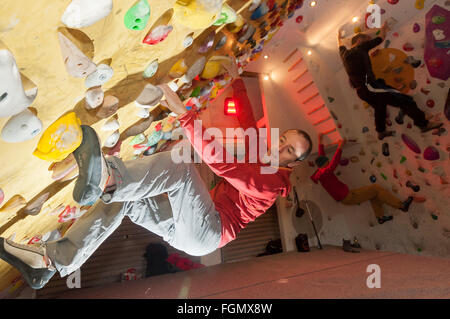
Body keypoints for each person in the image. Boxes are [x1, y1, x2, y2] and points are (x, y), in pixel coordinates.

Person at [0, 58, 313, 289]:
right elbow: (246, 124)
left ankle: (106, 177)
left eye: (288, 151)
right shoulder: (265, 156)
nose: (279, 147)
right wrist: (237, 80)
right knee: (127, 200)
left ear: (294, 164)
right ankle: (50, 261)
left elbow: (226, 167)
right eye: (282, 139)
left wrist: (184, 115)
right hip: (188, 228)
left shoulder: (273, 184)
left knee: (179, 168)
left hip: (209, 232)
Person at [338, 22, 443, 140]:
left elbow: (339, 43)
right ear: (360, 41)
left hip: (361, 92)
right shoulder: (360, 48)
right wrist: (383, 28)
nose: (369, 42)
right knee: (405, 100)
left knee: (380, 107)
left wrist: (339, 34)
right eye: (367, 40)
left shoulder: (343, 54)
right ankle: (423, 124)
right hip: (372, 86)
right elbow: (380, 38)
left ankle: (381, 131)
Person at [311, 133, 413, 224]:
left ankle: (380, 217)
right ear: (325, 164)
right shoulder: (326, 172)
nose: (328, 162)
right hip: (348, 197)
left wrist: (320, 141)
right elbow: (334, 162)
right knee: (376, 188)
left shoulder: (321, 172)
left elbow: (321, 156)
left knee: (374, 194)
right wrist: (340, 146)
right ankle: (401, 206)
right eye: (327, 162)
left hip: (347, 196)